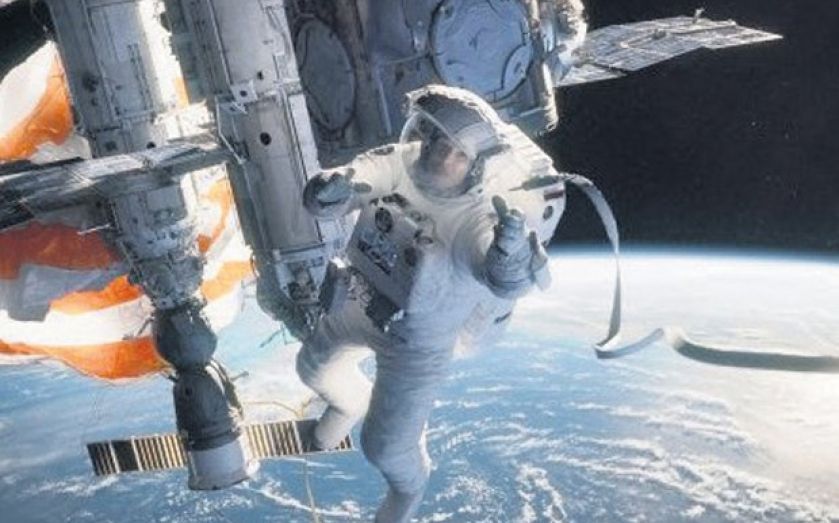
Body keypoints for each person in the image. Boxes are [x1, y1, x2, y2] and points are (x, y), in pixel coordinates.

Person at [296, 85, 554, 522]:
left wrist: (508, 251)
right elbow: (346, 187)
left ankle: (406, 495)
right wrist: (328, 189)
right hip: (358, 302)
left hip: (416, 341)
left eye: (455, 151)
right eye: (432, 136)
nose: (437, 152)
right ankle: (346, 406)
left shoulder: (478, 219)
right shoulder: (399, 163)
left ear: (477, 165)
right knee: (312, 368)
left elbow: (499, 276)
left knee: (385, 449)